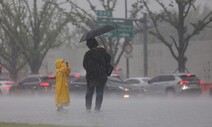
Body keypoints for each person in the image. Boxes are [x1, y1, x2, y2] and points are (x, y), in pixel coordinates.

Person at [83, 38, 111, 112]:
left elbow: (84, 65)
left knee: (89, 91)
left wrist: (90, 70)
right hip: (101, 75)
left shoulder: (87, 54)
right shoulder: (102, 51)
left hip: (91, 75)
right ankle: (97, 108)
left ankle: (88, 108)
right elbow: (108, 59)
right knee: (99, 91)